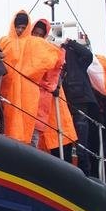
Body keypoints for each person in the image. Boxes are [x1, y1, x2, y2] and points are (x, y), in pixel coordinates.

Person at [0, 11, 60, 143]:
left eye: (23, 27)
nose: (20, 30)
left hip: (27, 94)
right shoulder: (3, 41)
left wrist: (31, 74)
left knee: (26, 125)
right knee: (5, 124)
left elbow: (56, 57)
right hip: (5, 92)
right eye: (18, 26)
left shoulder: (35, 43)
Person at [31, 19, 77, 156]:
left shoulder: (51, 54)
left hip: (54, 110)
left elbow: (50, 76)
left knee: (61, 147)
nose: (37, 38)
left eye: (40, 35)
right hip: (38, 110)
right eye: (35, 34)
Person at [61, 36, 99, 175]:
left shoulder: (78, 60)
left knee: (81, 139)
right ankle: (66, 171)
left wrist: (71, 43)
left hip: (79, 101)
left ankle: (85, 173)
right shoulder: (55, 55)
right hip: (63, 103)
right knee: (65, 139)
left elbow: (88, 55)